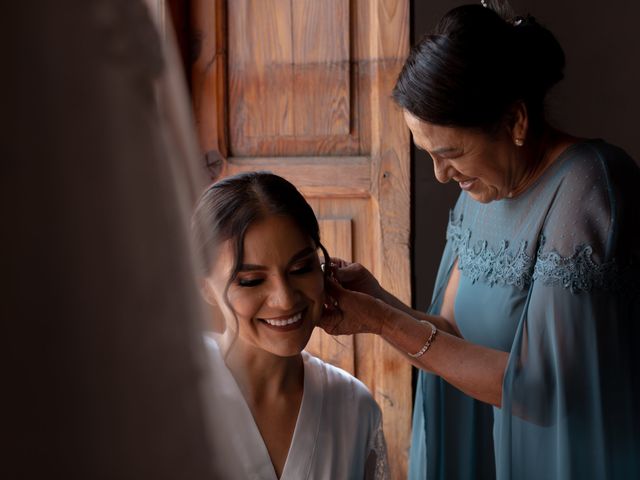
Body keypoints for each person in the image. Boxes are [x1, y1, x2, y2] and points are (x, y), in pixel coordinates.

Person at [319, 3, 640, 480]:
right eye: (427, 154)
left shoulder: (588, 185)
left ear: (515, 121)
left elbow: (541, 391)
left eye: (450, 153)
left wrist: (385, 322)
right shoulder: (482, 191)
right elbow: (449, 333)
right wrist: (375, 301)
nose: (440, 174)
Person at [191, 171, 389, 480]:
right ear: (205, 287)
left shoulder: (353, 408)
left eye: (300, 268)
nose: (284, 300)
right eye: (252, 280)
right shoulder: (172, 393)